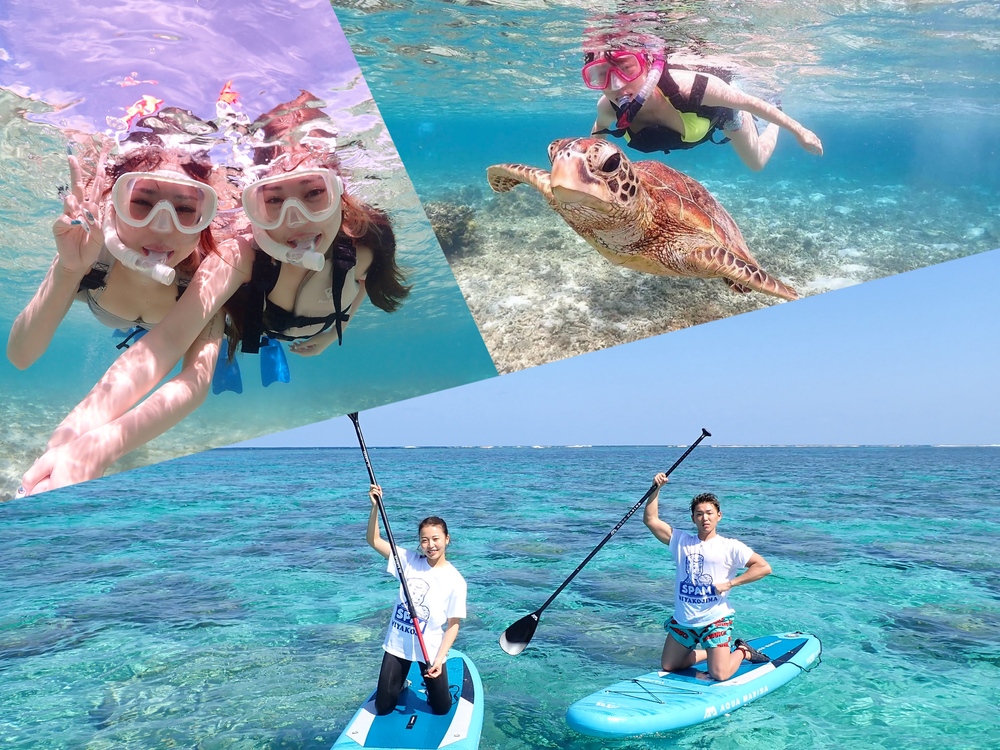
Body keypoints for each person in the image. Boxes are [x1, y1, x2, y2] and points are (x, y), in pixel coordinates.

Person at [8, 112, 253, 495]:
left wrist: (95, 448)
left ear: (207, 217)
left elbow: (194, 380)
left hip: (174, 326)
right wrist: (68, 271)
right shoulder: (89, 250)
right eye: (142, 202)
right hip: (148, 328)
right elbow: (21, 355)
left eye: (185, 210)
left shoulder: (206, 271)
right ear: (114, 203)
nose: (162, 227)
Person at [231, 92, 410, 360]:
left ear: (339, 192)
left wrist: (335, 333)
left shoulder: (360, 253)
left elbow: (363, 280)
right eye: (274, 200)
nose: (296, 219)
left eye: (314, 193)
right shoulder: (243, 257)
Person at [585, 47, 824, 171]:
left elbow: (750, 103)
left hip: (724, 115)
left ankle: (775, 116)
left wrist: (800, 131)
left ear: (648, 65)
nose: (616, 85)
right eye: (600, 75)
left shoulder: (689, 87)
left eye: (627, 68)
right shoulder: (608, 108)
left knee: (757, 163)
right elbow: (600, 128)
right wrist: (591, 162)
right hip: (695, 125)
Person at [643, 474, 773, 680]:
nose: (705, 518)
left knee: (720, 674)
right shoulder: (681, 541)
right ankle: (712, 654)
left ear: (719, 516)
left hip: (715, 619)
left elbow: (763, 567)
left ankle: (742, 651)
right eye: (699, 514)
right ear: (693, 518)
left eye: (709, 513)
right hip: (684, 620)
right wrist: (655, 489)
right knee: (669, 665)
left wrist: (731, 583)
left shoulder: (730, 546)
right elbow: (651, 520)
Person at [365, 484, 467, 716]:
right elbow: (373, 539)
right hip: (398, 645)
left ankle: (433, 689)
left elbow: (453, 625)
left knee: (441, 709)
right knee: (382, 708)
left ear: (447, 539)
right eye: (424, 540)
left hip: (429, 649)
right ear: (419, 542)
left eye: (436, 539)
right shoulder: (408, 561)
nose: (431, 545)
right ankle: (401, 684)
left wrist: (440, 659)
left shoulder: (455, 580)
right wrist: (374, 508)